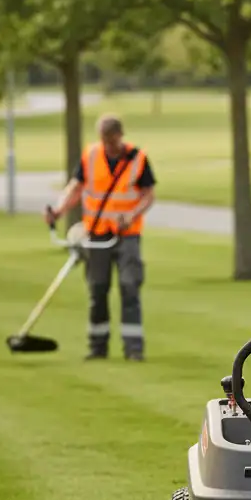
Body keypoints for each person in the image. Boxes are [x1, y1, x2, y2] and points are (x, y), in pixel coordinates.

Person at [43, 114, 156, 361]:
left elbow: (149, 195)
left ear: (120, 136)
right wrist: (59, 211)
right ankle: (97, 346)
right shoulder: (91, 156)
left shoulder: (137, 159)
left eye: (112, 141)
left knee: (129, 286)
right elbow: (76, 187)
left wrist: (132, 214)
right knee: (97, 288)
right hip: (96, 233)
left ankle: (134, 348)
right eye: (105, 140)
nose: (109, 146)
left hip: (127, 235)